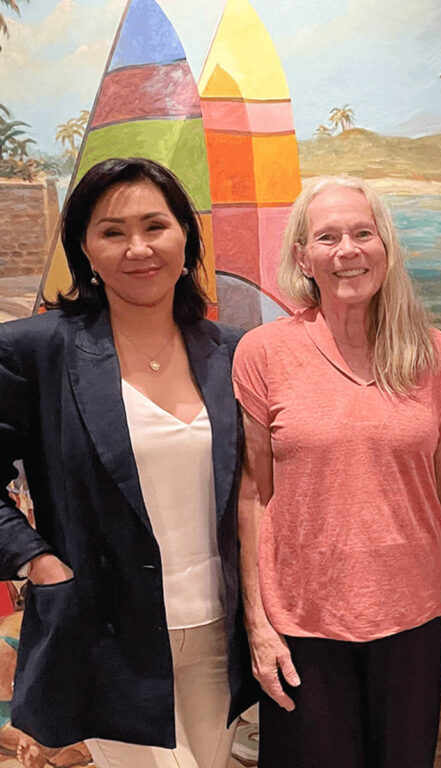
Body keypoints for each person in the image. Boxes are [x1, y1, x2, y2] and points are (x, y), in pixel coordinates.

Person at [0, 157, 256, 768]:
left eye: (155, 226)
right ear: (84, 249)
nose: (137, 248)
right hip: (105, 631)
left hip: (219, 629)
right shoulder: (37, 349)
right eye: (112, 231)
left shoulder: (230, 352)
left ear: (187, 239)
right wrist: (38, 563)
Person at [232, 177, 441, 768]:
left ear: (385, 248)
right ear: (302, 256)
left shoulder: (439, 357)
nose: (348, 250)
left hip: (414, 620)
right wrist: (258, 622)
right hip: (303, 622)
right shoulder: (263, 353)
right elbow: (252, 496)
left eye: (363, 233)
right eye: (328, 237)